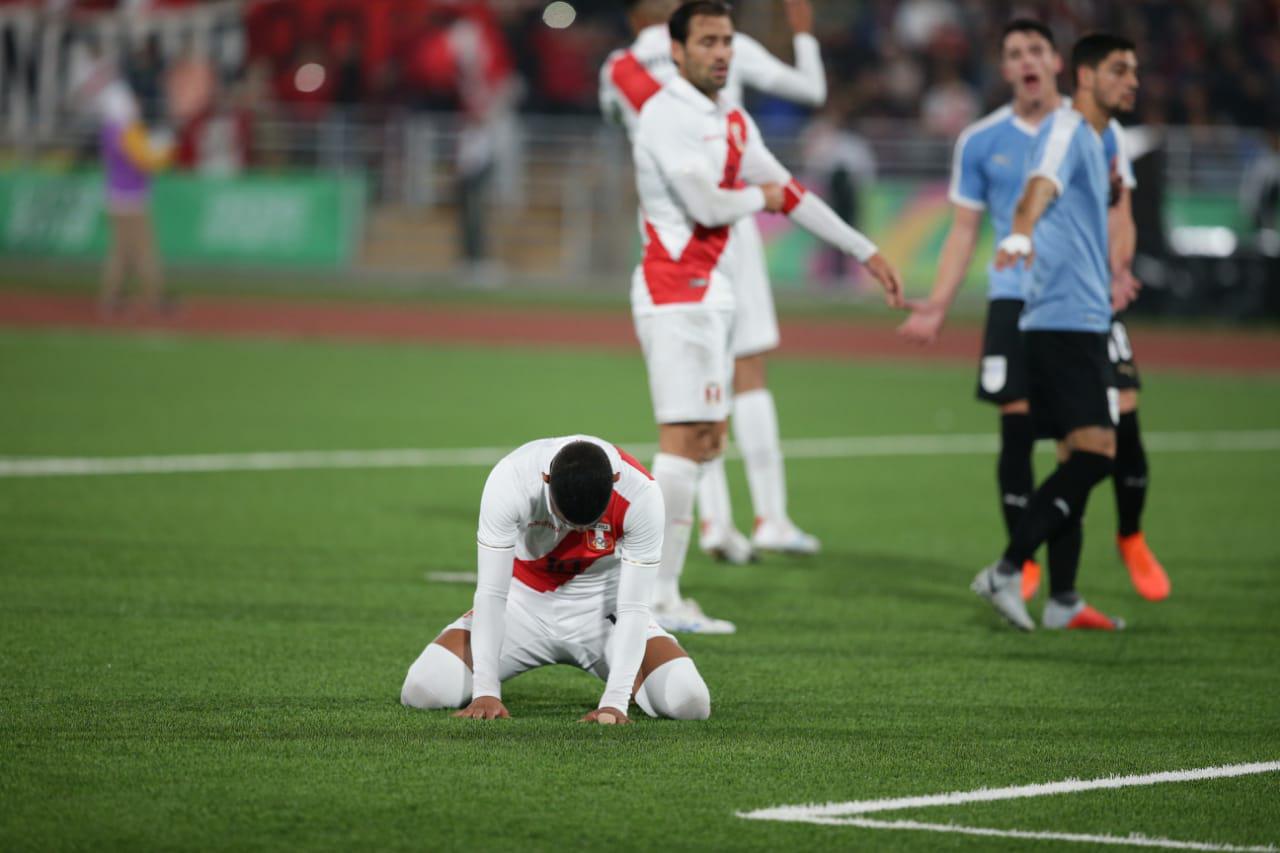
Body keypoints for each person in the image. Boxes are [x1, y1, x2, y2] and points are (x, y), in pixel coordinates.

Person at [627, 1, 902, 633]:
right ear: (677, 50)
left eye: (726, 40)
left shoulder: (729, 118)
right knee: (682, 442)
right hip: (675, 293)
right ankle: (658, 600)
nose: (721, 52)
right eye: (707, 42)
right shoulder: (667, 114)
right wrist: (764, 197)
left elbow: (792, 191)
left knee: (702, 442)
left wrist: (864, 250)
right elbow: (706, 203)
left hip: (707, 295)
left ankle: (662, 595)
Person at [898, 20, 1169, 604]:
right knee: (1033, 435)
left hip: (1087, 302)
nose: (1026, 60)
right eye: (1013, 51)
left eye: (1035, 50)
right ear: (1006, 68)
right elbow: (992, 215)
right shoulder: (994, 138)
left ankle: (1109, 550)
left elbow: (1118, 212)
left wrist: (1120, 268)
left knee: (1113, 427)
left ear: (1056, 63)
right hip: (1029, 300)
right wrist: (944, 300)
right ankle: (1021, 570)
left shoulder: (1101, 132)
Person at [600, 0, 829, 566]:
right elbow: (812, 91)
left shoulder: (620, 67)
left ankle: (716, 525)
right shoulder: (730, 45)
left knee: (695, 394)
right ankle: (768, 518)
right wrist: (804, 34)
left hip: (665, 233)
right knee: (743, 370)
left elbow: (619, 119)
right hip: (728, 223)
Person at [969, 33, 1142, 632]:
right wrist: (1019, 232)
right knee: (1098, 455)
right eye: (1120, 70)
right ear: (1087, 76)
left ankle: (1064, 599)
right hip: (1061, 318)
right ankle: (1007, 567)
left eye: (1134, 71)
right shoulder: (1068, 130)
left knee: (1076, 453)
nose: (1133, 82)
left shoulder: (1098, 140)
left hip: (1085, 317)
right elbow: (1036, 187)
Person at [400, 436, 712, 724]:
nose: (575, 531)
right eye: (565, 519)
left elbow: (633, 606)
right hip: (520, 605)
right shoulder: (511, 479)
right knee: (422, 689)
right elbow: (492, 593)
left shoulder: (641, 494)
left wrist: (615, 702)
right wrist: (486, 692)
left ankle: (630, 682)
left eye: (587, 523)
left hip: (604, 612)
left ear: (615, 482)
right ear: (545, 480)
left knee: (690, 702)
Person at [71, 48, 174, 316]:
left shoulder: (111, 131)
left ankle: (112, 300)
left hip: (118, 196)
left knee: (121, 253)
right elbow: (146, 160)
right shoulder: (125, 132)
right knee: (143, 251)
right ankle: (154, 299)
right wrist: (166, 146)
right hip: (131, 197)